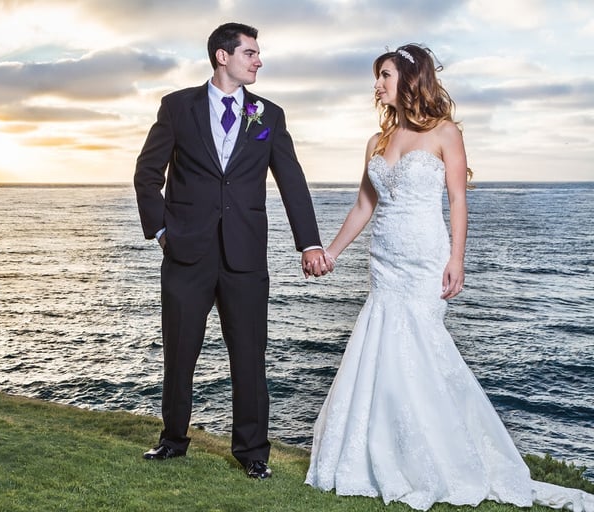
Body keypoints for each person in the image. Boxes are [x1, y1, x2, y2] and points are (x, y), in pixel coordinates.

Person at [305, 44, 594, 511]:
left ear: (410, 78)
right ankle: (380, 453)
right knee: (381, 352)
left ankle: (442, 457)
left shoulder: (445, 132)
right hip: (385, 262)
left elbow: (458, 200)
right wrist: (332, 253)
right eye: (376, 76)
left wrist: (457, 259)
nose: (377, 84)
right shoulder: (375, 143)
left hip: (425, 259)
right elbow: (364, 205)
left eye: (384, 75)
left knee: (420, 349)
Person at [134, 22, 332, 479]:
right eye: (251, 53)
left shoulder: (269, 115)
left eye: (258, 54)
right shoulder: (177, 107)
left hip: (245, 258)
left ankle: (252, 454)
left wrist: (310, 241)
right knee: (180, 353)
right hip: (186, 253)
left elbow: (292, 181)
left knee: (249, 356)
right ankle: (172, 441)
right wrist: (163, 231)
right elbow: (147, 173)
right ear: (223, 57)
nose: (258, 60)